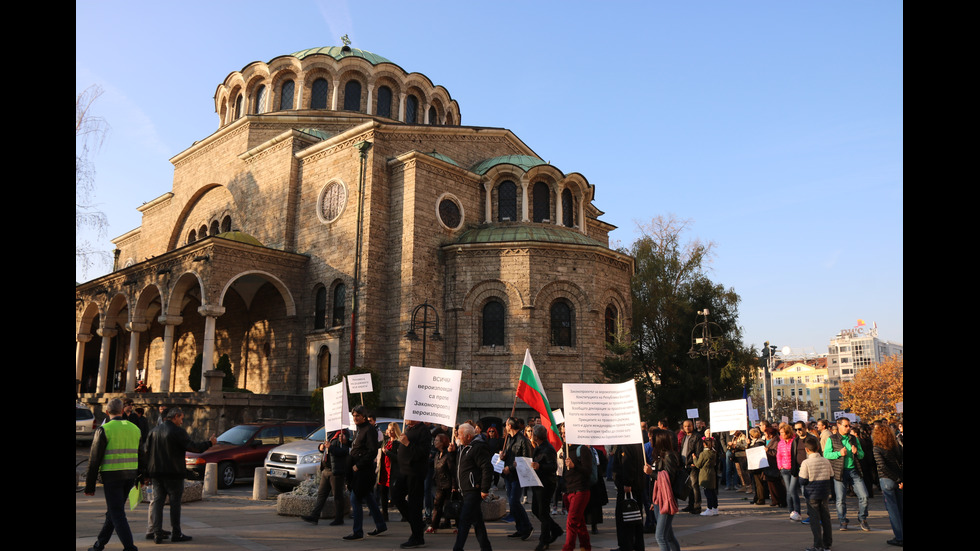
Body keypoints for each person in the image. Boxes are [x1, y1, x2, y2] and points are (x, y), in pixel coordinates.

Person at [142, 406, 216, 544]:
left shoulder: (153, 431)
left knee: (158, 502)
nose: (182, 421)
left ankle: (157, 533)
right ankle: (176, 532)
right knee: (175, 504)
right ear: (175, 417)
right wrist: (210, 443)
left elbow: (146, 453)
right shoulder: (177, 432)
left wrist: (146, 474)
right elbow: (194, 447)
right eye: (181, 418)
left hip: (156, 473)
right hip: (174, 473)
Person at [84, 398, 142, 551]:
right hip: (130, 475)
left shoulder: (104, 429)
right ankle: (99, 544)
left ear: (107, 412)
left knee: (116, 513)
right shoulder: (135, 428)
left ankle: (130, 547)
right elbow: (142, 454)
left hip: (112, 477)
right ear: (123, 411)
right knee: (113, 512)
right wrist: (143, 477)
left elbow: (94, 460)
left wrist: (90, 486)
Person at [345, 405, 388, 541]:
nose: (355, 418)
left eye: (358, 415)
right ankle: (380, 524)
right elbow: (357, 446)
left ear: (364, 416)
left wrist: (359, 465)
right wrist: (347, 442)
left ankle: (357, 531)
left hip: (363, 470)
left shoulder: (370, 430)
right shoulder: (358, 430)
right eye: (354, 416)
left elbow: (372, 451)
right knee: (368, 497)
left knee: (355, 498)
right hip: (355, 468)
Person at [823, 417, 870, 532]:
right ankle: (842, 520)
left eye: (849, 426)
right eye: (846, 426)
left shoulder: (853, 438)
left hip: (854, 470)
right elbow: (826, 454)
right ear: (838, 426)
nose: (848, 428)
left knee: (864, 496)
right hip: (840, 471)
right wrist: (839, 453)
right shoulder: (832, 439)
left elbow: (862, 455)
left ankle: (862, 518)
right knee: (840, 499)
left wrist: (857, 452)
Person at [453, 423, 493, 551]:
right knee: (477, 522)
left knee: (464, 520)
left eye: (460, 434)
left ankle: (457, 548)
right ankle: (486, 548)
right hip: (463, 490)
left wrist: (484, 488)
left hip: (473, 490)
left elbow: (487, 468)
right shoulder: (462, 447)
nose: (457, 436)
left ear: (468, 436)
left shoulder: (478, 447)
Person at [395, 419, 433, 549]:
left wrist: (407, 443)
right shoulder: (409, 428)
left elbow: (422, 453)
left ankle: (417, 537)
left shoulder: (424, 431)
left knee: (414, 505)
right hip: (403, 471)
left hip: (415, 473)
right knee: (396, 497)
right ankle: (417, 524)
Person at [302, 428, 351, 525]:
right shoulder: (329, 434)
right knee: (321, 494)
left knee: (337, 495)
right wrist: (320, 447)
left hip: (336, 470)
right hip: (326, 469)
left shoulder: (343, 434)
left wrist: (331, 447)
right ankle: (314, 516)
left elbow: (344, 452)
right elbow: (325, 448)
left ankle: (339, 519)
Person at [646, 428, 682, 551]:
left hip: (667, 498)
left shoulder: (669, 456)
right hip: (658, 499)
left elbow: (668, 478)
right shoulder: (658, 456)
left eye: (652, 438)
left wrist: (651, 473)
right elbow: (656, 481)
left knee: (660, 536)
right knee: (669, 536)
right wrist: (653, 500)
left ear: (659, 440)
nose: (650, 439)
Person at [529, 424, 563, 551]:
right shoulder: (539, 447)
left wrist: (540, 467)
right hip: (538, 483)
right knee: (535, 510)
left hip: (546, 484)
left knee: (543, 512)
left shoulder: (547, 449)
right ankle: (556, 529)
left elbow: (553, 467)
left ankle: (544, 540)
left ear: (536, 437)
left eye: (532, 434)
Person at [500, 416, 534, 540]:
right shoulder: (509, 438)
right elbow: (510, 455)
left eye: (506, 425)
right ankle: (520, 528)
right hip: (508, 476)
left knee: (514, 501)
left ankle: (527, 526)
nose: (505, 427)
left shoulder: (523, 440)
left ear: (510, 426)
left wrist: (511, 468)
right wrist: (503, 456)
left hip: (518, 476)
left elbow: (526, 460)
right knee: (512, 503)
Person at [798, 438, 833, 551]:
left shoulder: (806, 463)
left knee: (814, 519)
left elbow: (802, 480)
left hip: (812, 493)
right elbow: (831, 475)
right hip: (824, 493)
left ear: (807, 450)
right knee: (826, 518)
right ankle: (827, 543)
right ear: (818, 448)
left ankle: (817, 545)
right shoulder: (826, 461)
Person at [872, 424, 903, 547]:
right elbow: (900, 462)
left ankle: (899, 537)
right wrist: (900, 479)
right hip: (897, 479)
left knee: (893, 511)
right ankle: (900, 536)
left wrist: (896, 478)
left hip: (887, 480)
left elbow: (882, 467)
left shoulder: (876, 448)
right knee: (900, 509)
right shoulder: (895, 447)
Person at [612, 438, 645, 551]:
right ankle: (637, 544)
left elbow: (627, 464)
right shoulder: (637, 443)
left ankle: (626, 545)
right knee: (636, 518)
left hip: (628, 488)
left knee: (626, 518)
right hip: (636, 486)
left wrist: (627, 483)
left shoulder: (626, 445)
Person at [562, 437, 594, 551]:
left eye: (566, 433)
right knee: (579, 523)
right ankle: (585, 547)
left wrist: (574, 466)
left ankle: (568, 548)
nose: (564, 435)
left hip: (581, 490)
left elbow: (588, 470)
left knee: (571, 522)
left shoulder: (583, 449)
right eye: (562, 433)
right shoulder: (565, 449)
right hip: (568, 491)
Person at [427, 432, 457, 534]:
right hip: (440, 484)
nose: (434, 442)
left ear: (442, 442)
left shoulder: (448, 456)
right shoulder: (437, 454)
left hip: (448, 485)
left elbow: (453, 471)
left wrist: (454, 485)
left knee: (452, 505)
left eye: (437, 440)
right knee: (437, 505)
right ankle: (433, 526)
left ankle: (458, 526)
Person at [678, 420, 703, 514]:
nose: (687, 428)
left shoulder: (696, 437)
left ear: (692, 426)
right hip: (685, 465)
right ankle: (690, 504)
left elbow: (699, 450)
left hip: (692, 465)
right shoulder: (685, 437)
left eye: (689, 426)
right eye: (685, 426)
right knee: (689, 486)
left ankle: (697, 506)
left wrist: (695, 462)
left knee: (694, 485)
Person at [693, 436, 718, 516]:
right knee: (713, 492)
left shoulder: (703, 453)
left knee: (708, 492)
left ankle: (709, 508)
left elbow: (698, 465)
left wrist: (694, 458)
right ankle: (715, 508)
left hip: (705, 473)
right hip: (712, 473)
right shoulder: (713, 452)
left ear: (704, 444)